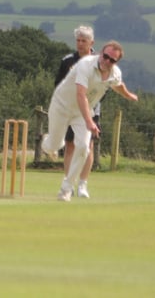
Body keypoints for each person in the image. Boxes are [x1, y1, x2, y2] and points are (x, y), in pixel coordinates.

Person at [42, 40, 138, 201]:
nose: (107, 61)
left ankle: (66, 189)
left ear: (116, 62)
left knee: (84, 147)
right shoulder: (85, 65)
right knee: (54, 146)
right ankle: (48, 141)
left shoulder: (115, 73)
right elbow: (81, 95)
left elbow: (117, 84)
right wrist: (89, 121)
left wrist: (128, 95)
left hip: (81, 113)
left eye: (112, 60)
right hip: (62, 106)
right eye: (105, 56)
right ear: (101, 53)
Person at [55, 25, 98, 199]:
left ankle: (83, 185)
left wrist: (90, 104)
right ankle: (68, 183)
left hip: (91, 109)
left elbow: (104, 87)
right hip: (70, 110)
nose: (80, 44)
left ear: (91, 42)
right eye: (78, 41)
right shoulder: (67, 61)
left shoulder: (98, 62)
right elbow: (58, 85)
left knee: (87, 146)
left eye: (84, 41)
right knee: (70, 145)